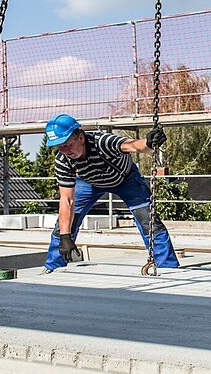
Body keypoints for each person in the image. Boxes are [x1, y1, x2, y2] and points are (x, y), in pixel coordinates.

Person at [42, 114, 180, 272]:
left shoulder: (102, 142)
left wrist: (149, 142)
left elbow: (133, 146)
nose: (65, 151)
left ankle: (166, 266)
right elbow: (67, 200)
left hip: (125, 179)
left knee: (148, 220)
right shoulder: (63, 160)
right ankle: (53, 266)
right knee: (64, 227)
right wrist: (65, 236)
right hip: (89, 184)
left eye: (67, 145)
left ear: (80, 137)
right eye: (60, 147)